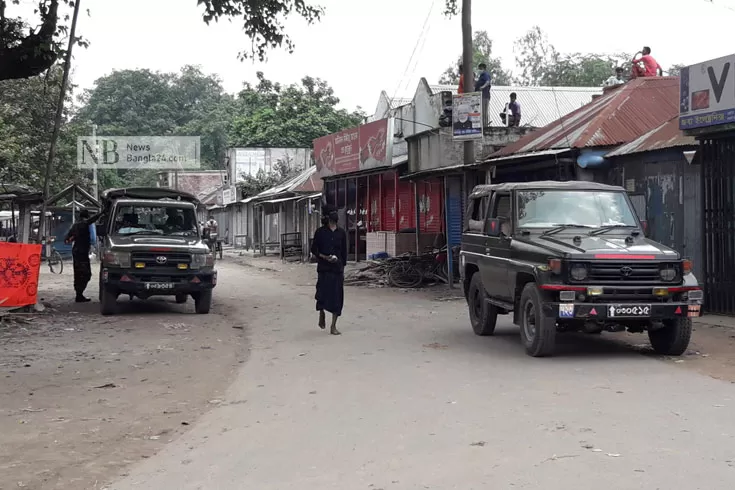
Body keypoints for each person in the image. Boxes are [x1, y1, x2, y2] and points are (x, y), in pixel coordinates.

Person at [311, 208, 348, 335]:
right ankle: (321, 312)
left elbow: (344, 252)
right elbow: (314, 249)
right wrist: (323, 257)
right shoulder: (320, 232)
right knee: (321, 294)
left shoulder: (341, 233)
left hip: (337, 269)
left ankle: (333, 326)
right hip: (324, 269)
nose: (331, 222)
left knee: (337, 297)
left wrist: (342, 266)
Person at [64, 209, 101, 302]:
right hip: (82, 253)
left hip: (76, 252)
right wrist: (103, 212)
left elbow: (66, 240)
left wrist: (73, 238)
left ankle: (79, 294)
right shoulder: (85, 223)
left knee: (78, 273)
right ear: (87, 216)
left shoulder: (75, 225)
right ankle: (79, 294)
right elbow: (94, 218)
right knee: (86, 274)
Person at [474, 63, 492, 128]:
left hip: (484, 95)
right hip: (481, 96)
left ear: (483, 68)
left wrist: (482, 87)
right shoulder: (481, 76)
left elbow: (487, 82)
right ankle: (483, 125)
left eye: (480, 68)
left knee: (484, 112)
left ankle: (485, 126)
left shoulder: (485, 74)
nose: (479, 70)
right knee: (481, 111)